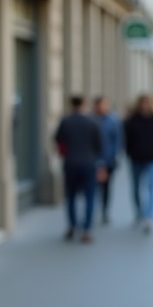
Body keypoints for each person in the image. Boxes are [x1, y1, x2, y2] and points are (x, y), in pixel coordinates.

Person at [55, 94, 103, 242]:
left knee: (71, 196)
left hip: (71, 163)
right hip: (88, 163)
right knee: (90, 196)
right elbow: (99, 145)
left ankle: (72, 226)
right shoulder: (92, 122)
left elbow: (58, 140)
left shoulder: (66, 121)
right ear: (84, 104)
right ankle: (87, 229)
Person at [123, 94, 153, 233]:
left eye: (148, 103)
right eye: (143, 103)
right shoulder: (132, 121)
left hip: (152, 159)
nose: (145, 106)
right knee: (136, 188)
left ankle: (149, 217)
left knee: (151, 188)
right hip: (136, 159)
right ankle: (139, 213)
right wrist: (130, 153)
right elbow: (127, 140)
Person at [93, 96, 122, 225]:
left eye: (104, 105)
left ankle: (105, 211)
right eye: (99, 105)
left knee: (106, 188)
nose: (102, 107)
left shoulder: (113, 121)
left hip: (108, 160)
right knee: (93, 188)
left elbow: (117, 141)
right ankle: (93, 211)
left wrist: (113, 158)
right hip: (92, 160)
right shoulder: (91, 120)